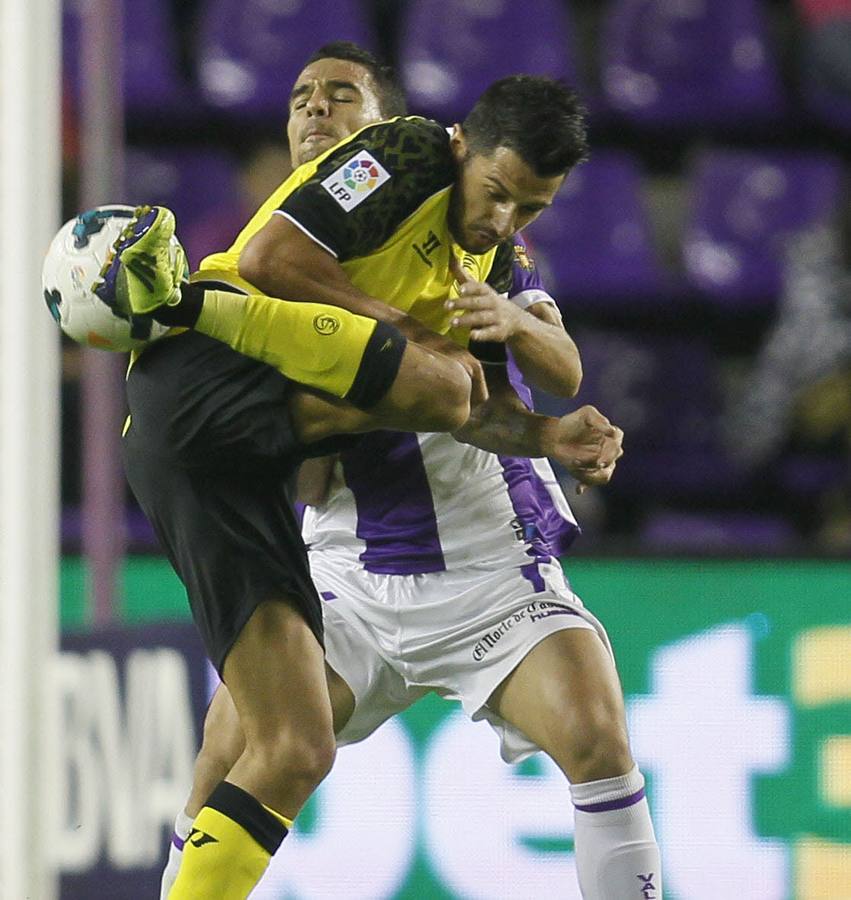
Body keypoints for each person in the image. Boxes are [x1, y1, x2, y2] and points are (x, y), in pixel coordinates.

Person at [141, 43, 661, 900]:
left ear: (391, 135)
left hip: (486, 567)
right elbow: (296, 465)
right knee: (235, 747)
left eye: (344, 101)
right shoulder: (277, 286)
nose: (319, 116)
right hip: (349, 568)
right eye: (304, 99)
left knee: (597, 738)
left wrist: (528, 382)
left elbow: (553, 366)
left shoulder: (478, 241)